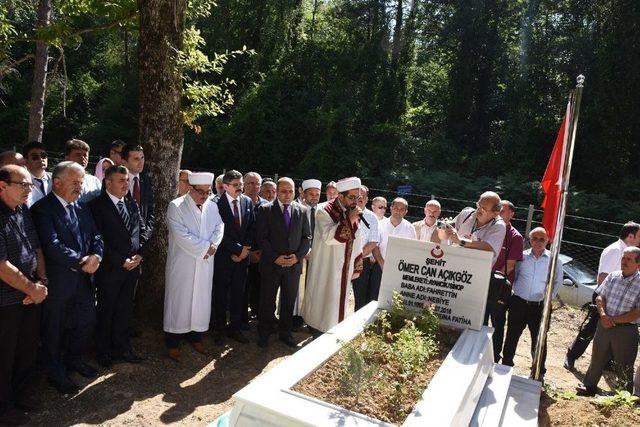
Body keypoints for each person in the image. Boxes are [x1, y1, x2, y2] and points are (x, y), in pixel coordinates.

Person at [31, 161, 104, 395]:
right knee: (54, 328)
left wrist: (97, 256)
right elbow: (51, 246)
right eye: (75, 182)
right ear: (57, 182)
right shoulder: (42, 209)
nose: (80, 187)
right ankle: (55, 371)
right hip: (58, 281)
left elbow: (96, 236)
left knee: (86, 321)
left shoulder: (81, 208)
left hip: (83, 281)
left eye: (82, 182)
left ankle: (74, 360)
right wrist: (84, 262)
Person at [0, 165, 48, 426]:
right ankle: (4, 408)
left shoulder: (23, 211)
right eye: (24, 185)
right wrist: (32, 288)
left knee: (26, 348)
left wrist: (41, 282)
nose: (29, 190)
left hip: (31, 295)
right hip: (6, 301)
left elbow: (36, 247)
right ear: (2, 185)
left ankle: (21, 394)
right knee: (4, 355)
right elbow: (1, 266)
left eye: (31, 185)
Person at [89, 165, 149, 367]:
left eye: (127, 180)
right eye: (121, 180)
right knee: (107, 310)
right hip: (110, 270)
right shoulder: (96, 206)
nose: (126, 184)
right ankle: (103, 351)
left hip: (133, 268)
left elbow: (142, 230)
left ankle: (123, 348)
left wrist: (140, 255)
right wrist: (120, 260)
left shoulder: (131, 203)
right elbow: (97, 239)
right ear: (108, 182)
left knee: (125, 310)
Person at [164, 172, 223, 361]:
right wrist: (206, 248)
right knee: (179, 301)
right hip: (183, 264)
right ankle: (173, 341)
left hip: (206, 262)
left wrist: (214, 245)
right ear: (191, 188)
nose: (205, 196)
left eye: (208, 192)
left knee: (200, 301)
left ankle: (196, 337)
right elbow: (181, 235)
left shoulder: (212, 206)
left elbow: (219, 227)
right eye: (201, 192)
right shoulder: (177, 206)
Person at [565, 221, 640, 370]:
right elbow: (602, 279)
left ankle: (606, 363)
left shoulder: (628, 251)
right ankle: (571, 356)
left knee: (614, 330)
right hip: (604, 296)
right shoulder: (615, 250)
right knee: (591, 329)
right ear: (631, 236)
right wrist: (604, 306)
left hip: (617, 299)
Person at [302, 177, 363, 335]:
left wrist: (357, 261)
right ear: (340, 196)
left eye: (358, 197)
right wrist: (350, 219)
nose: (355, 201)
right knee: (323, 300)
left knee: (339, 303)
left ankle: (334, 332)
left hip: (345, 265)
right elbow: (330, 238)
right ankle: (317, 332)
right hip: (327, 266)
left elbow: (358, 238)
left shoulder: (353, 211)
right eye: (351, 197)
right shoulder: (324, 210)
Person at [437, 191, 507, 329]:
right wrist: (442, 227)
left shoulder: (499, 226)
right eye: (478, 205)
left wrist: (460, 241)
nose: (479, 210)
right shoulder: (467, 213)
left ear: (496, 213)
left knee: (472, 321)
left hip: (476, 280)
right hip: (452, 273)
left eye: (484, 208)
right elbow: (444, 236)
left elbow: (488, 247)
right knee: (447, 314)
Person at [576, 247, 640, 396]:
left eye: (629, 259)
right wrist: (603, 315)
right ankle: (589, 386)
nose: (624, 261)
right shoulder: (613, 276)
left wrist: (612, 320)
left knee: (624, 364)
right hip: (604, 324)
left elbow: (637, 311)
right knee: (597, 357)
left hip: (626, 329)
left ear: (638, 263)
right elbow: (600, 297)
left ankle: (624, 395)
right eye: (623, 258)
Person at [256, 177, 311, 348]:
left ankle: (285, 333)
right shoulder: (265, 210)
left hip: (293, 266)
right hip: (271, 265)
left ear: (295, 191)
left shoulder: (301, 211)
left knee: (288, 301)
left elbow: (307, 237)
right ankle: (264, 332)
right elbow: (261, 238)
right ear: (277, 192)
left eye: (291, 191)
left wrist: (297, 256)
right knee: (267, 300)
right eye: (283, 191)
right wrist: (275, 257)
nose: (287, 194)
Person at [500, 227, 562, 378]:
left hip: (540, 306)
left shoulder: (554, 260)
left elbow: (557, 281)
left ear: (547, 241)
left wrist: (548, 299)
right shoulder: (521, 257)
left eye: (542, 239)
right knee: (512, 336)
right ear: (529, 240)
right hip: (519, 303)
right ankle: (505, 366)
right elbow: (515, 275)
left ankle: (538, 371)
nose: (538, 242)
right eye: (535, 238)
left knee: (539, 340)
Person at [212, 170, 255, 345]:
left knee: (239, 294)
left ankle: (235, 329)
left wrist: (245, 250)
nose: (240, 188)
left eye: (241, 184)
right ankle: (220, 330)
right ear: (225, 186)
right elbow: (217, 232)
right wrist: (238, 250)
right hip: (224, 257)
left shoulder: (247, 202)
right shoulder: (215, 204)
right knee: (221, 294)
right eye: (236, 185)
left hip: (242, 258)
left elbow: (252, 227)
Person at [489, 200, 524, 363]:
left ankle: (495, 357)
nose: (499, 214)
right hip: (483, 282)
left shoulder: (515, 237)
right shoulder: (490, 229)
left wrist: (490, 278)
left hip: (499, 286)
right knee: (479, 320)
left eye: (503, 211)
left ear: (512, 214)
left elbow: (509, 266)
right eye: (498, 211)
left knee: (497, 322)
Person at [352, 185, 382, 311]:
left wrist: (357, 256)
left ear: (367, 198)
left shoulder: (372, 217)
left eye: (363, 196)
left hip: (361, 262)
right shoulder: (344, 213)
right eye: (357, 195)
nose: (360, 198)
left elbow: (373, 242)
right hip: (341, 259)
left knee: (360, 297)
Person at [243, 172, 265, 325]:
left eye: (257, 183)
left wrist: (264, 252)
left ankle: (259, 313)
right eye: (250, 183)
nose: (253, 186)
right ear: (244, 184)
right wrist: (248, 253)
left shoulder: (266, 205)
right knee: (243, 288)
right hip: (243, 254)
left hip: (263, 254)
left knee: (261, 287)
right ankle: (242, 318)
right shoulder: (238, 203)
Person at [122, 144, 154, 236]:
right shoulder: (114, 181)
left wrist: (146, 234)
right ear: (124, 162)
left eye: (142, 158)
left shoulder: (147, 181)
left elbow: (151, 211)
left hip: (143, 239)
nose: (141, 162)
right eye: (136, 159)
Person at [22, 141, 52, 207]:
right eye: (35, 157)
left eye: (43, 155)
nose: (41, 159)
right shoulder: (21, 183)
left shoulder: (56, 179)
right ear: (25, 161)